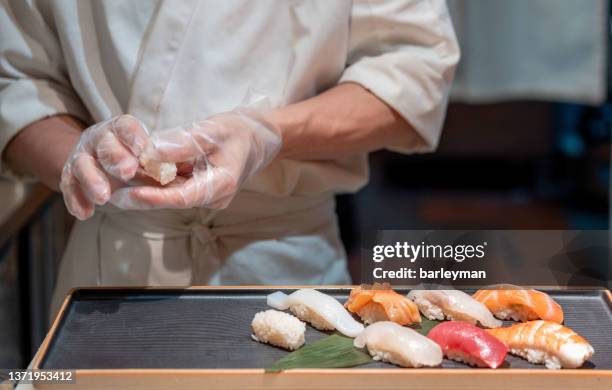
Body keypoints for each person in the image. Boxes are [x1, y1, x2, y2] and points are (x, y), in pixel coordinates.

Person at [0, 0, 459, 315]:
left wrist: (269, 134)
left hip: (284, 261)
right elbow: (15, 82)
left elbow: (415, 73)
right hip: (111, 268)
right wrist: (82, 162)